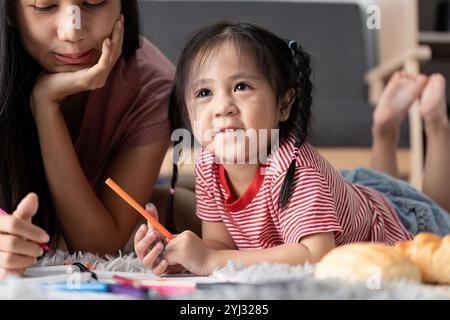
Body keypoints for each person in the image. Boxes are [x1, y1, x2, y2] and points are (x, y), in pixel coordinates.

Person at [134, 22, 450, 276]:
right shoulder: (207, 164)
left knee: (441, 220)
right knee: (373, 190)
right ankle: (384, 131)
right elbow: (220, 244)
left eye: (241, 87)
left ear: (284, 104)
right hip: (351, 196)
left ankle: (435, 126)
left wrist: (209, 261)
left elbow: (316, 255)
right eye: (204, 92)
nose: (222, 107)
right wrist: (183, 259)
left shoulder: (296, 169)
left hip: (400, 223)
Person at [0, 0, 195, 278]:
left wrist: (45, 104)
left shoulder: (152, 85)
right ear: (10, 12)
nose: (72, 32)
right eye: (44, 6)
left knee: (187, 208)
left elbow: (94, 246)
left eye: (94, 2)